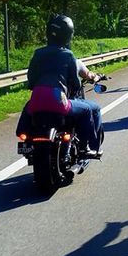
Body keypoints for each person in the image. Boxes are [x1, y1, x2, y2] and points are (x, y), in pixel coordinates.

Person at [16, 14, 103, 157]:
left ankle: (26, 142)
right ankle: (85, 147)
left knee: (28, 108)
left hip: (37, 99)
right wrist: (73, 88)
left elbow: (31, 78)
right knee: (90, 109)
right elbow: (75, 83)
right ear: (68, 34)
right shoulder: (67, 55)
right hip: (59, 101)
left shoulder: (38, 54)